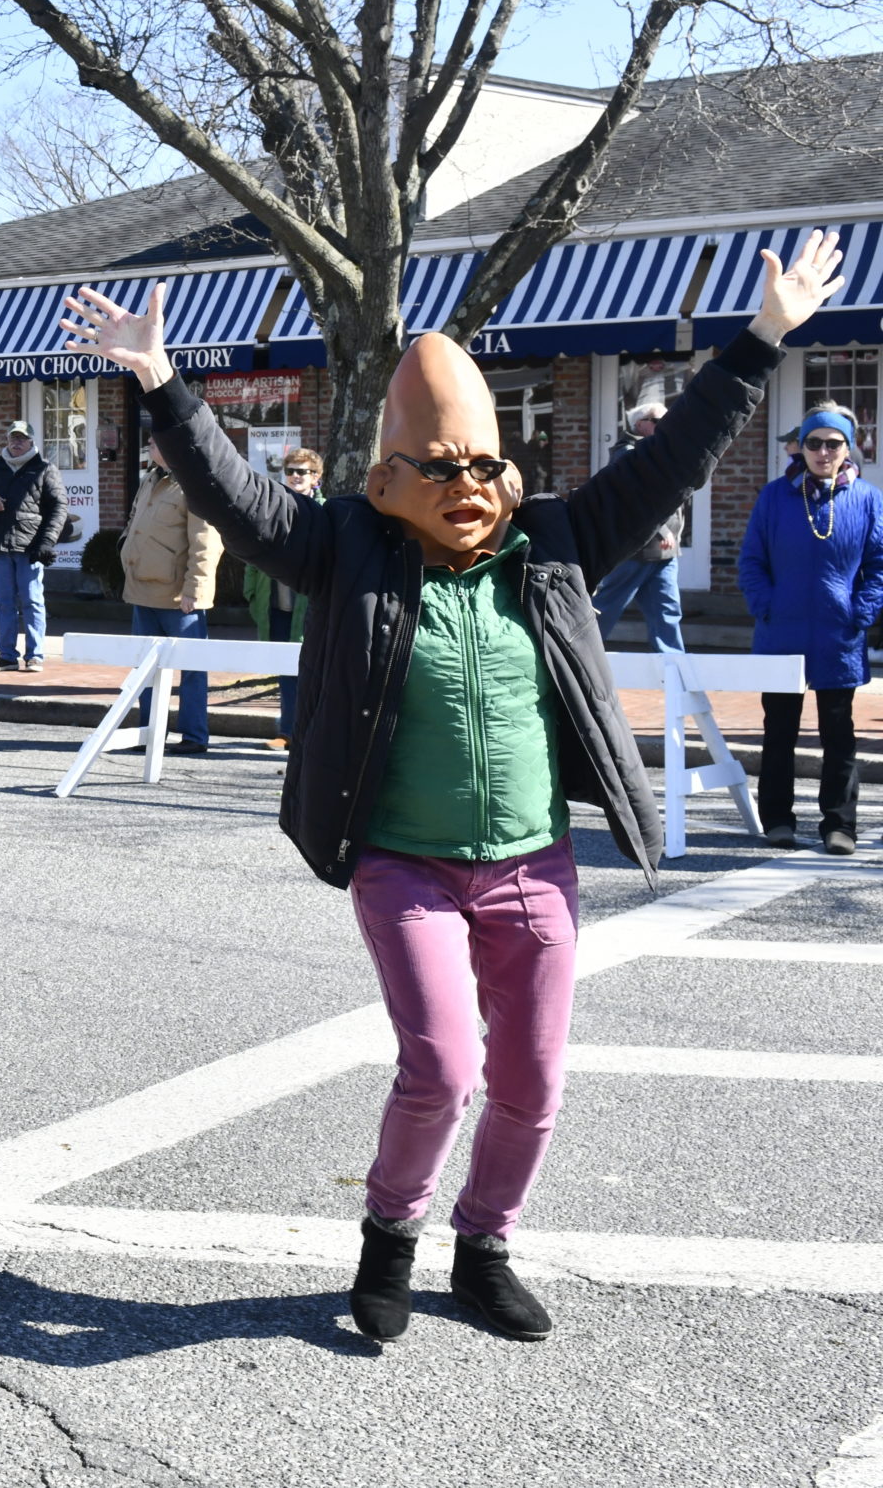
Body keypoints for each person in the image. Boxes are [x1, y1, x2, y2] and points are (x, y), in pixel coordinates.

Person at [65, 229, 845, 1347]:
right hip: (404, 860)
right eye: (439, 470)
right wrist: (164, 384)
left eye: (482, 467)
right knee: (440, 1062)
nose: (466, 489)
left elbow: (673, 458)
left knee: (530, 1084)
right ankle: (389, 1235)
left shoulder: (557, 539)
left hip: (533, 861)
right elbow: (238, 502)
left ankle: (485, 1244)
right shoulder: (345, 546)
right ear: (387, 479)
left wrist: (762, 339)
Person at [740, 406, 883, 854]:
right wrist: (767, 606)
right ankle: (778, 820)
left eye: (833, 443)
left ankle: (839, 825)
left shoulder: (866, 498)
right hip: (781, 633)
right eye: (814, 443)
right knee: (778, 731)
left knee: (839, 735)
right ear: (801, 448)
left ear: (848, 448)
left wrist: (861, 612)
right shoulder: (775, 496)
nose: (823, 452)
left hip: (839, 636)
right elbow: (752, 561)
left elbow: (878, 565)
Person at [122, 434, 223, 753]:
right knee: (146, 669)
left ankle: (194, 736)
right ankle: (150, 733)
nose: (149, 445)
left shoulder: (194, 483)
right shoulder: (151, 478)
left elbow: (206, 543)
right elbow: (134, 523)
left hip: (180, 597)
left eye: (154, 442)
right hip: (143, 590)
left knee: (191, 669)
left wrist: (196, 589)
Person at [0, 418, 67, 671]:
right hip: (0, 545)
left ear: (31, 442)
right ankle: (7, 656)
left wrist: (47, 542)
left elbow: (59, 507)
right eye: (13, 438)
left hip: (30, 546)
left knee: (32, 601)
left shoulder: (44, 468)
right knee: (3, 602)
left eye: (22, 438)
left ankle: (35, 655)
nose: (16, 443)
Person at [588, 403, 687, 652]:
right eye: (658, 420)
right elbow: (637, 498)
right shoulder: (629, 454)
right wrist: (663, 531)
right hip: (636, 547)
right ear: (640, 424)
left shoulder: (664, 450)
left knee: (667, 610)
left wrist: (674, 532)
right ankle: (577, 655)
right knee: (608, 606)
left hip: (664, 551)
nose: (665, 425)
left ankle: (674, 670)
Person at [244, 448, 322, 748]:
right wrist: (252, 594)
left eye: (302, 471)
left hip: (311, 608)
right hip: (276, 606)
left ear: (315, 477)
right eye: (290, 470)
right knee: (286, 674)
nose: (295, 476)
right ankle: (287, 732)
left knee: (313, 673)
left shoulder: (325, 511)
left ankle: (311, 734)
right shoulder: (273, 507)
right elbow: (252, 554)